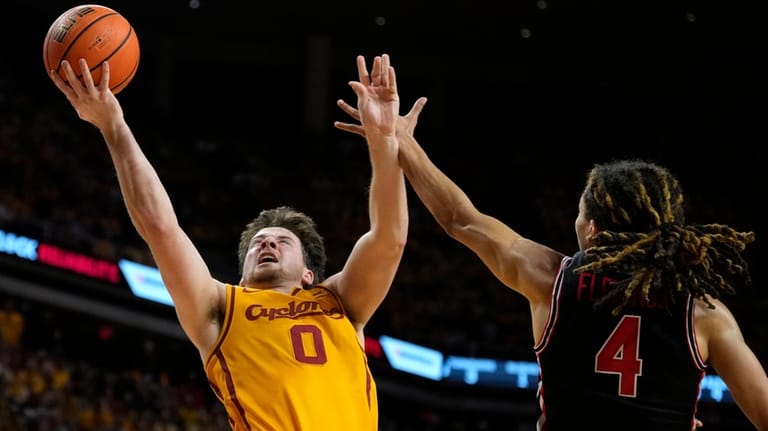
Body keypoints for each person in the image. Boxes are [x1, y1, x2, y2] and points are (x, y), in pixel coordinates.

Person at [334, 98, 768, 430]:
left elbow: (460, 219)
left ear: (593, 229)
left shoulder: (552, 279)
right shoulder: (704, 313)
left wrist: (400, 140)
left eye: (579, 212)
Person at [49, 53, 408, 430]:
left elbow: (390, 238)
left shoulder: (339, 300)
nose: (266, 244)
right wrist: (113, 125)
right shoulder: (220, 306)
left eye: (282, 241)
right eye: (258, 242)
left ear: (308, 273)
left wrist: (384, 142)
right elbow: (160, 228)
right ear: (242, 273)